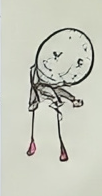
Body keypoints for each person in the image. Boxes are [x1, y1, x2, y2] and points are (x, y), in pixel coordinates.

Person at [26, 28, 94, 162]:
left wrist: (71, 99)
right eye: (55, 54)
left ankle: (58, 149)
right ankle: (37, 145)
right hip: (42, 108)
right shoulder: (36, 74)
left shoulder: (51, 83)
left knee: (53, 129)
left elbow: (56, 90)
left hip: (49, 108)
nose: (50, 61)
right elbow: (42, 89)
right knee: (42, 126)